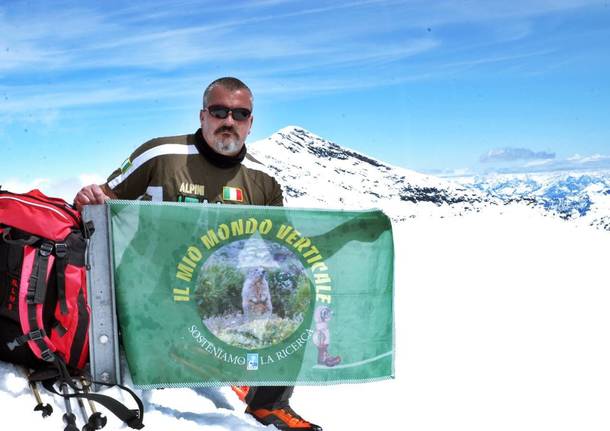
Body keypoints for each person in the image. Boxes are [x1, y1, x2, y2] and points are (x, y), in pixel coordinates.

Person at [74, 77, 322, 431]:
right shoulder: (161, 156)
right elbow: (104, 201)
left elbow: (278, 248)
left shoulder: (263, 180)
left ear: (251, 123)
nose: (229, 121)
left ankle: (269, 402)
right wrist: (89, 199)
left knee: (293, 289)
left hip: (217, 298)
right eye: (219, 111)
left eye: (240, 114)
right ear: (203, 115)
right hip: (149, 296)